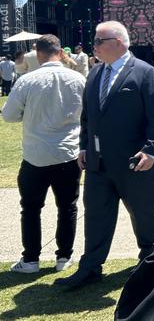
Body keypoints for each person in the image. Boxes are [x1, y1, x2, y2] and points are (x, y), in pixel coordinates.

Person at [55, 21, 154, 289]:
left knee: (144, 217)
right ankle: (90, 267)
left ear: (117, 43)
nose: (93, 46)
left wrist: (151, 150)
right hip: (97, 164)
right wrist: (83, 146)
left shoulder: (144, 73)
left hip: (135, 163)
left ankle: (150, 264)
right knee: (95, 215)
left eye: (98, 41)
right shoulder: (95, 73)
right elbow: (88, 118)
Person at [2, 35, 85, 274]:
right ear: (60, 52)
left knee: (30, 208)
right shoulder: (78, 78)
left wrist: (27, 114)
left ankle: (30, 259)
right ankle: (64, 257)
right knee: (67, 206)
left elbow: (8, 115)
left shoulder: (27, 80)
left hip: (35, 154)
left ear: (37, 54)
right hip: (67, 153)